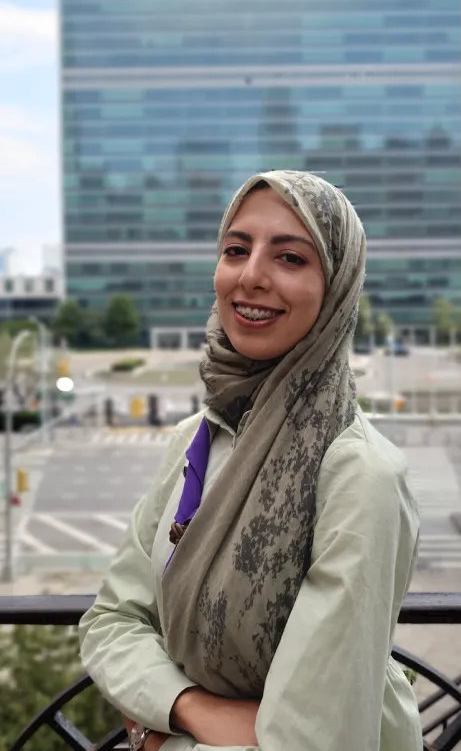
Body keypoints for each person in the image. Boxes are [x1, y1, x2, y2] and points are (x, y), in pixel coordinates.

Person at [79, 170, 422, 751]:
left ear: (337, 288)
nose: (251, 276)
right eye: (235, 250)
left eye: (291, 258)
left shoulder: (360, 475)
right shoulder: (199, 437)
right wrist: (188, 708)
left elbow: (310, 738)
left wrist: (159, 730)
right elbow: (111, 620)